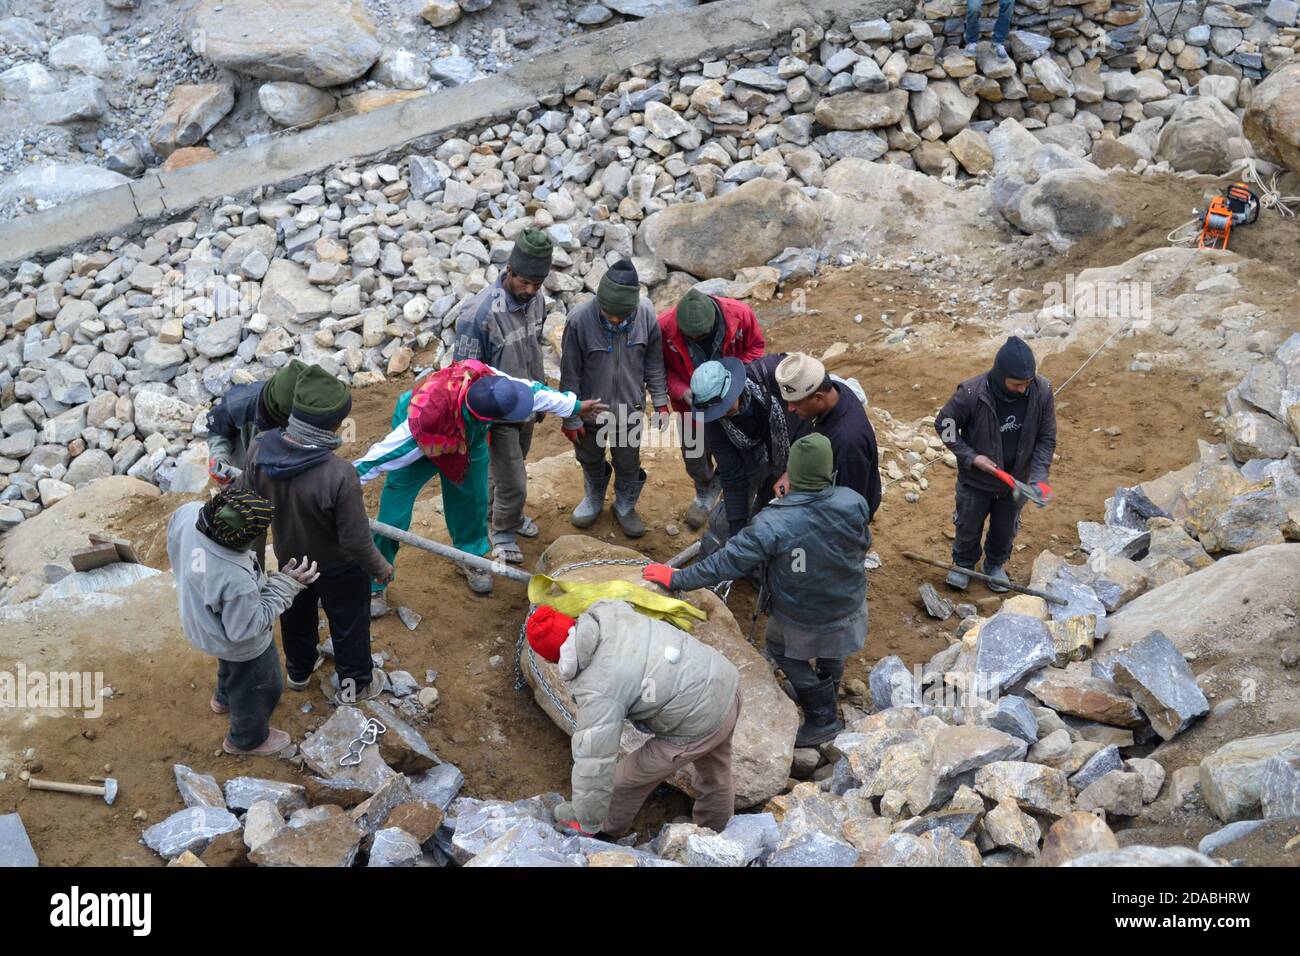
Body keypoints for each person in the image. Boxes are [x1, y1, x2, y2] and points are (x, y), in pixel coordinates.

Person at [643, 434, 870, 747]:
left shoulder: (773, 523)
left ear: (793, 474)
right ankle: (828, 687)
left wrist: (676, 579)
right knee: (833, 648)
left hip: (803, 613)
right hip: (849, 602)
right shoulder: (853, 500)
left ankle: (823, 717)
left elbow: (725, 563)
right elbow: (861, 543)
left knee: (779, 649)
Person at [355, 360, 605, 603]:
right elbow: (378, 458)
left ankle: (471, 556)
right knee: (394, 515)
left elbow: (533, 392)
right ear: (484, 417)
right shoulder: (422, 423)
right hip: (427, 437)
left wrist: (574, 406)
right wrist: (339, 483)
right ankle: (375, 581)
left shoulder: (488, 379)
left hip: (467, 439)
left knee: (472, 499)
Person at [242, 366, 394, 705]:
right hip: (338, 567)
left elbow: (246, 507)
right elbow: (356, 540)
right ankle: (355, 685)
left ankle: (299, 672)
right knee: (349, 624)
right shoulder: (339, 475)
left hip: (290, 561)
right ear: (335, 425)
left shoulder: (258, 450)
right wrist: (380, 567)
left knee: (295, 615)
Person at [525, 600, 741, 837]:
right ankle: (713, 832)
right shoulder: (609, 613)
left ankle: (604, 831)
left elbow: (595, 759)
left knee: (625, 781)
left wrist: (587, 820)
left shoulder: (598, 686)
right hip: (724, 682)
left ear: (552, 659)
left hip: (698, 718)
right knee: (714, 771)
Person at [166, 488, 319, 755]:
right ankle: (246, 739)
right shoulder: (234, 578)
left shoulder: (189, 513)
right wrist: (286, 584)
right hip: (238, 643)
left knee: (231, 668)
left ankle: (223, 699)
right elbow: (244, 630)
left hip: (202, 622)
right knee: (261, 683)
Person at [452, 229, 555, 563]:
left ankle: (497, 514)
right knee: (513, 480)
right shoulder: (479, 314)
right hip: (495, 414)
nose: (530, 291)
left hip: (526, 402)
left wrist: (539, 395)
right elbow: (462, 376)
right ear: (509, 271)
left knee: (510, 467)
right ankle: (503, 532)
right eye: (524, 283)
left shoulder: (535, 300)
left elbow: (531, 349)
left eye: (537, 285)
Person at [934, 335, 1056, 591]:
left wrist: (1038, 479)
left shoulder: (1042, 391)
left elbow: (1046, 439)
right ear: (1001, 376)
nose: (1023, 389)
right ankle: (964, 564)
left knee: (1005, 528)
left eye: (1027, 383)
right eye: (1017, 384)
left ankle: (995, 565)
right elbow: (944, 426)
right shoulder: (971, 393)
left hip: (1016, 482)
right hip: (976, 481)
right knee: (968, 524)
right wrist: (971, 457)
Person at [561, 259, 668, 538]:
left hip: (629, 411)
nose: (616, 321)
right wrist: (571, 417)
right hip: (590, 412)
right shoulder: (578, 321)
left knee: (628, 462)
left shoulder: (645, 314)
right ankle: (594, 497)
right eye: (610, 315)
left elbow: (654, 363)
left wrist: (660, 402)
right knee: (589, 457)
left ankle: (625, 505)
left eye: (623, 315)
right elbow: (570, 375)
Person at [659, 288, 766, 529]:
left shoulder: (739, 314)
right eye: (690, 337)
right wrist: (681, 391)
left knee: (740, 448)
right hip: (691, 406)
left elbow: (756, 348)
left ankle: (733, 490)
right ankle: (705, 488)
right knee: (695, 455)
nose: (696, 340)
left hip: (733, 401)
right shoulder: (664, 327)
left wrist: (735, 382)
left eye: (702, 335)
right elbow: (659, 369)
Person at [204, 360, 307, 566]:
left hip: (287, 482)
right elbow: (218, 432)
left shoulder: (308, 414)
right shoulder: (241, 403)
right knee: (249, 537)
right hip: (243, 481)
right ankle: (253, 580)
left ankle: (291, 583)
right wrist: (219, 458)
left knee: (294, 537)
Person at [688, 353, 790, 549]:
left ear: (734, 388)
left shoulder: (772, 375)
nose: (723, 415)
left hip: (795, 449)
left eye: (725, 407)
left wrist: (793, 470)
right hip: (753, 458)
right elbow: (732, 475)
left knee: (784, 516)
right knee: (729, 522)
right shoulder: (714, 423)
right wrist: (737, 531)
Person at [775, 353, 881, 526]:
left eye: (796, 403)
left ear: (818, 398)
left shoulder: (847, 443)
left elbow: (848, 509)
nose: (790, 409)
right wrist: (790, 475)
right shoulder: (836, 390)